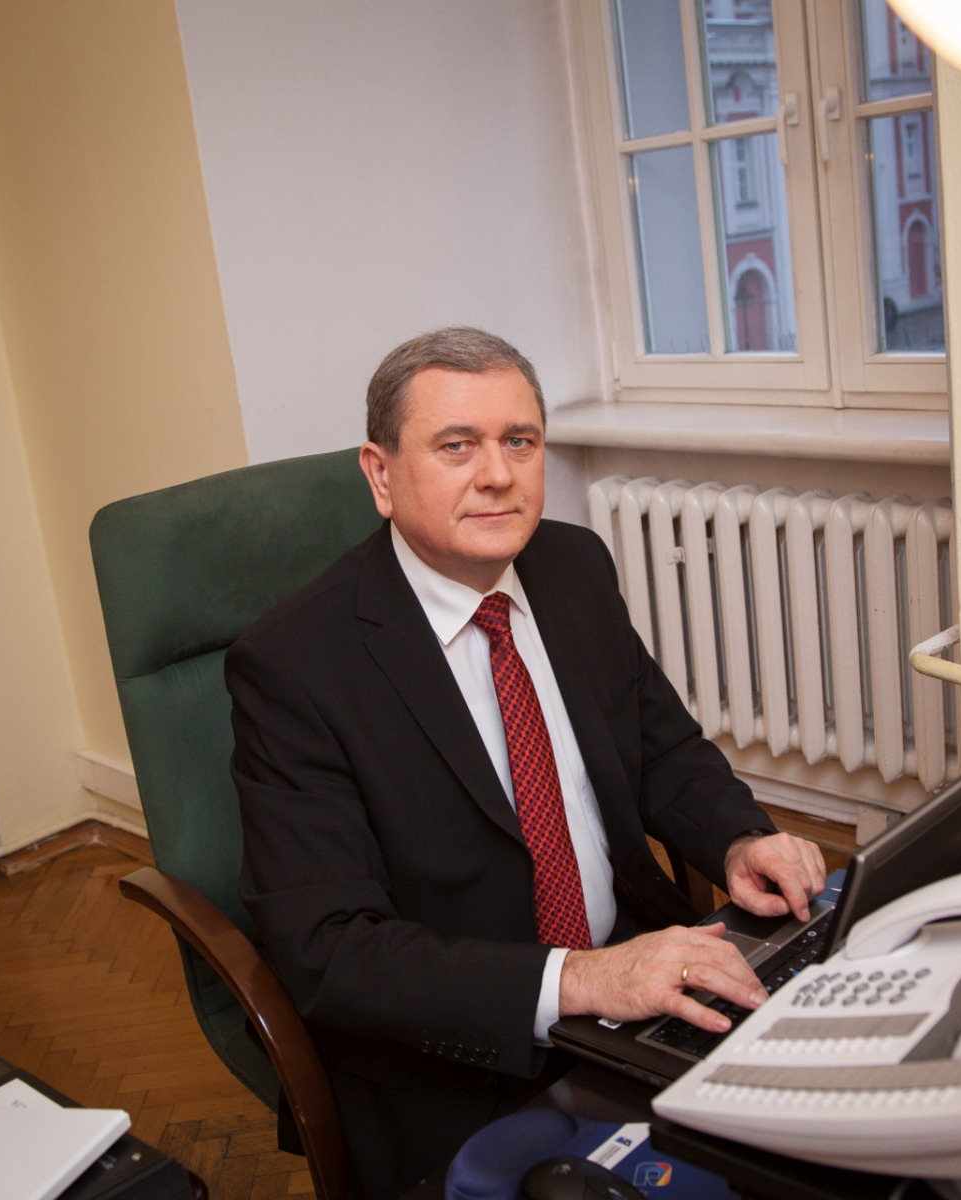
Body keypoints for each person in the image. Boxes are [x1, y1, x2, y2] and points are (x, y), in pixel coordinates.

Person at [229, 327, 826, 1199]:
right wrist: (581, 979)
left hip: (637, 980)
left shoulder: (571, 567)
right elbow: (329, 954)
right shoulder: (293, 667)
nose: (498, 474)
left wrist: (739, 838)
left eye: (519, 441)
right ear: (380, 474)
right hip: (457, 1051)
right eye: (455, 446)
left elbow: (659, 747)